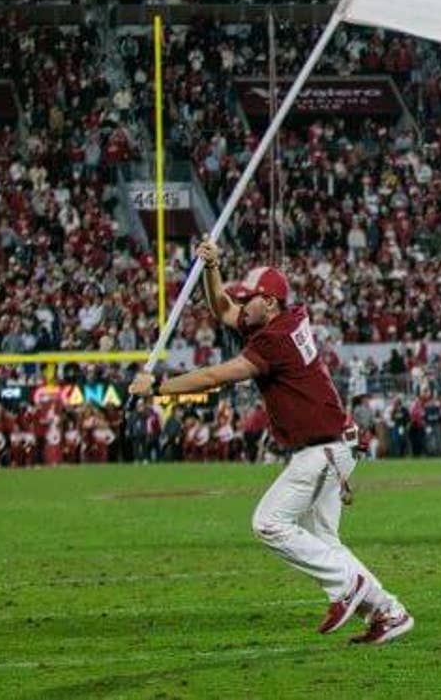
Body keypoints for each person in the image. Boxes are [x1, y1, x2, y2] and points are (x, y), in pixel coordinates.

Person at [129, 238, 412, 646]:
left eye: (251, 299)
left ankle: (348, 586)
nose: (242, 305)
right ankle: (389, 611)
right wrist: (212, 268)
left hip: (323, 449)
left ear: (271, 303)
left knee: (269, 522)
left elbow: (216, 377)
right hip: (334, 444)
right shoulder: (284, 318)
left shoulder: (273, 339)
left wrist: (158, 386)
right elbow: (222, 309)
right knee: (325, 544)